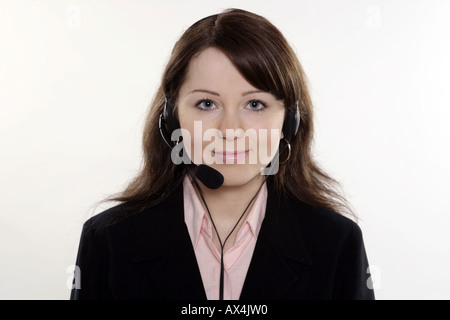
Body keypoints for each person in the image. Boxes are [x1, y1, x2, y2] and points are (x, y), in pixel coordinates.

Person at [70, 8, 375, 300]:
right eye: (207, 104)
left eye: (255, 104)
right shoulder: (107, 241)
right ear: (172, 118)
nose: (230, 130)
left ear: (289, 122)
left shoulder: (337, 244)